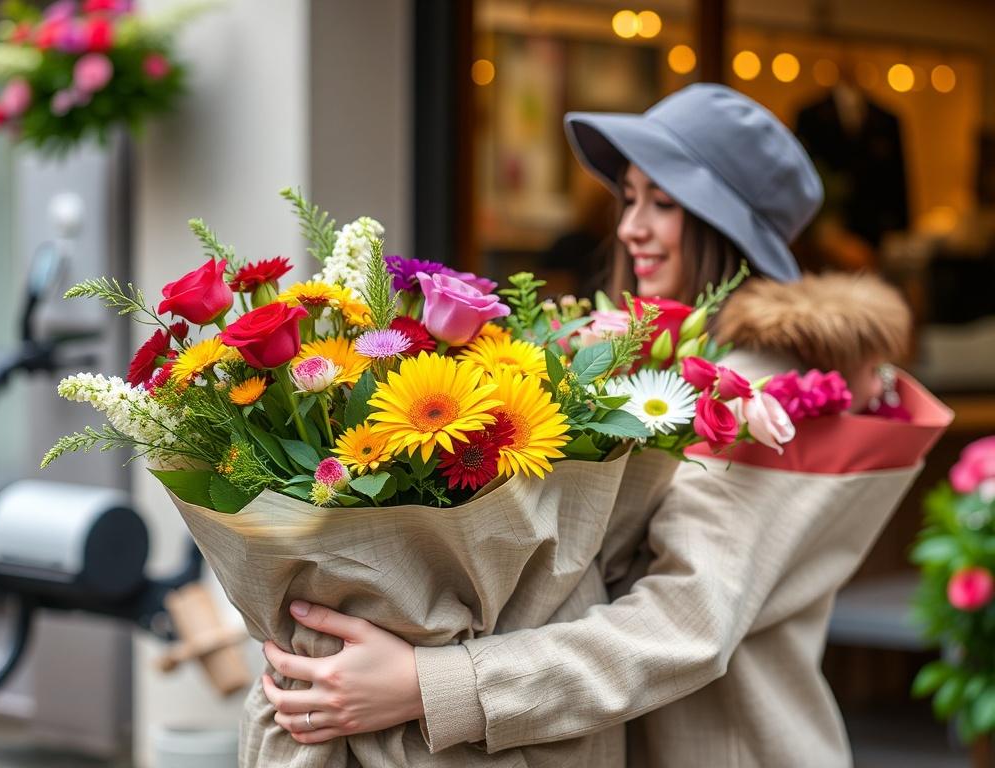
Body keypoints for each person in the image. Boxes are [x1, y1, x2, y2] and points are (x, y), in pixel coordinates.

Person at [259, 85, 951, 767]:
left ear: (727, 225)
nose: (630, 228)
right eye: (629, 197)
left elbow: (684, 624)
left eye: (664, 203)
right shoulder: (656, 357)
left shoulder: (760, 387)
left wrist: (431, 685)